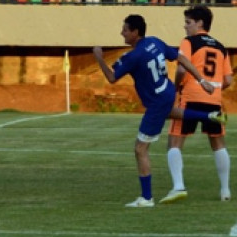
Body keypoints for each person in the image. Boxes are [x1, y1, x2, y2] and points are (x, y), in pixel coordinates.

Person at [92, 14, 226, 208]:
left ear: (135, 32)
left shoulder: (132, 56)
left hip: (155, 103)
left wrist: (99, 58)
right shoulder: (154, 41)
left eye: (125, 29)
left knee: (140, 149)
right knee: (171, 112)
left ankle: (146, 198)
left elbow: (112, 78)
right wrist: (201, 79)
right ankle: (210, 116)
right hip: (168, 91)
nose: (122, 32)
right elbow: (180, 57)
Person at [161, 6, 233, 204]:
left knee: (175, 141)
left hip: (190, 96)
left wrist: (175, 89)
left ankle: (178, 186)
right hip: (214, 99)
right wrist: (215, 88)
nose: (185, 27)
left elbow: (183, 68)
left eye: (188, 22)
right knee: (218, 143)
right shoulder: (220, 46)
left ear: (200, 23)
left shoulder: (189, 42)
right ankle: (225, 190)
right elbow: (228, 79)